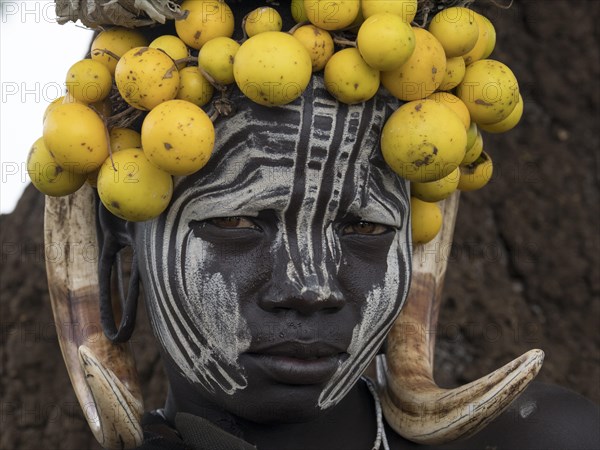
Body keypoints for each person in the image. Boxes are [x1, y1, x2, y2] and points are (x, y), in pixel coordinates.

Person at [46, 1, 599, 449]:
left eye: (365, 229)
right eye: (237, 222)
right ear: (120, 227)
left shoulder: (547, 438)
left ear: (415, 234)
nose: (310, 287)